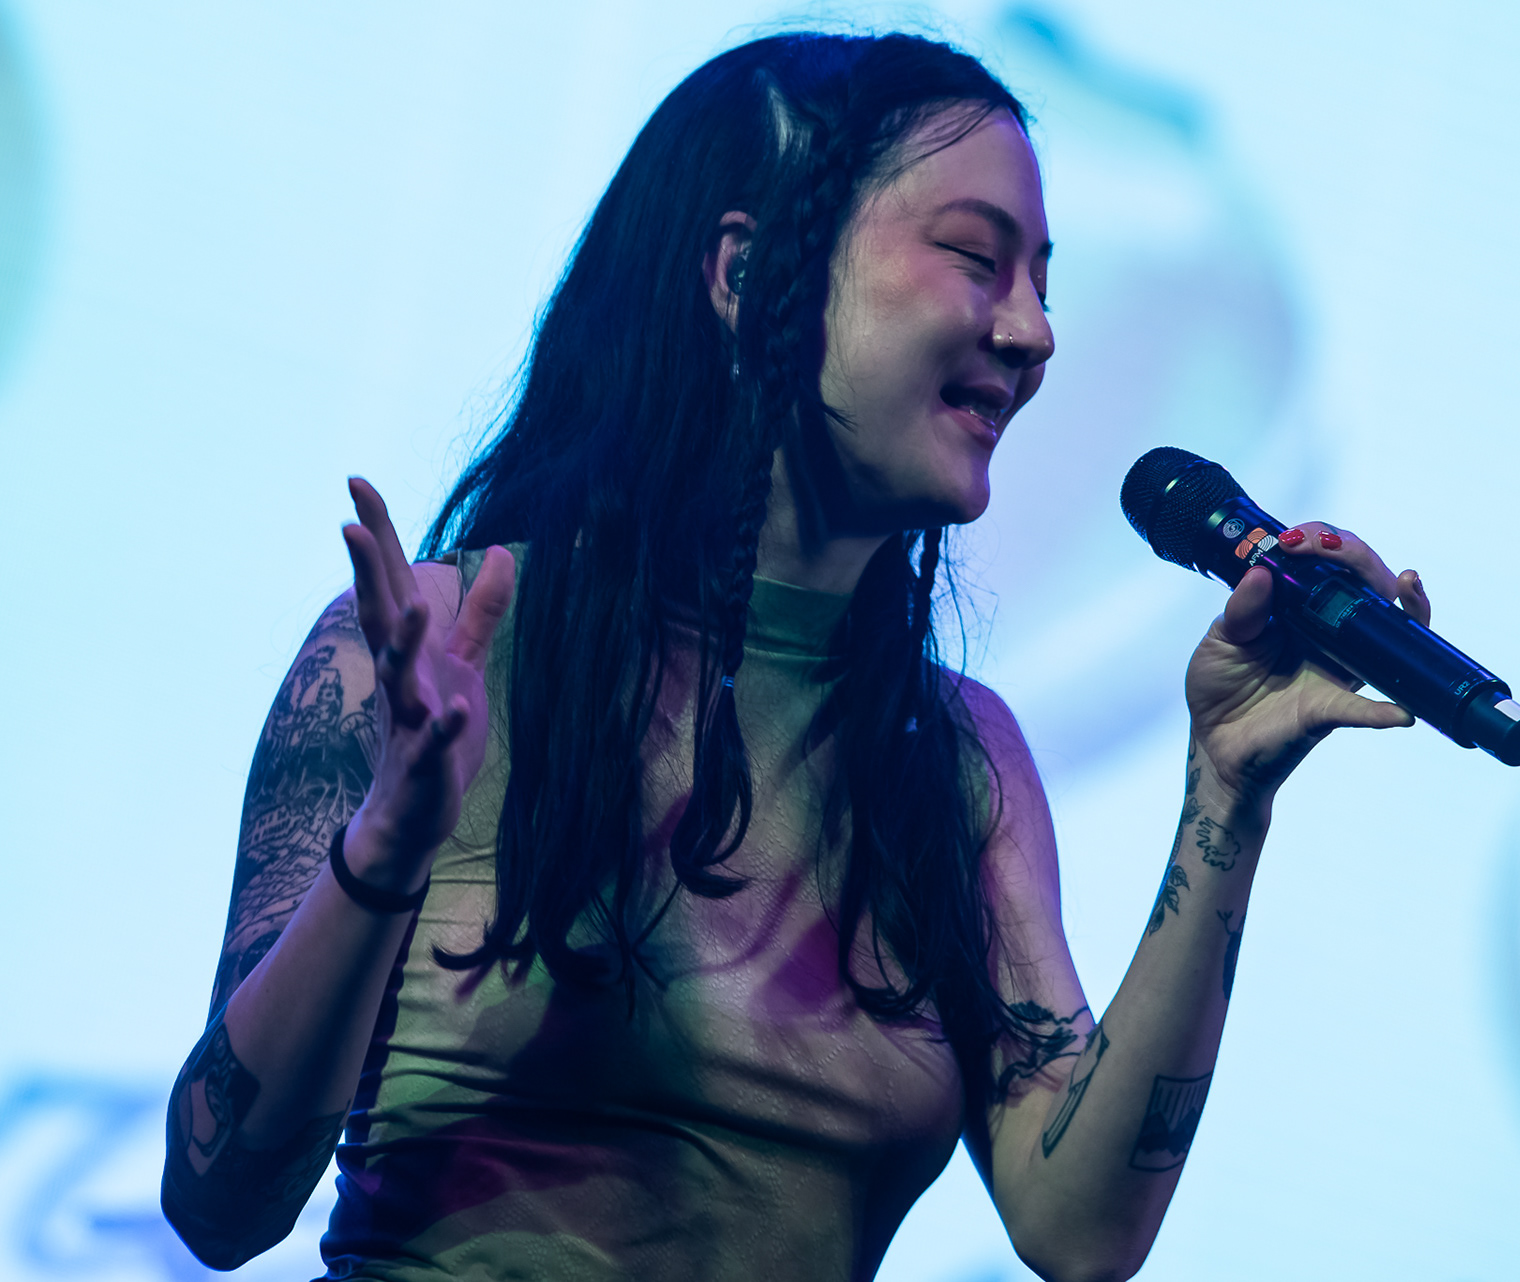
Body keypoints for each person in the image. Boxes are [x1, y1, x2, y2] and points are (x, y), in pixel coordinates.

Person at [161, 31, 1430, 1282]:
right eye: (976, 259)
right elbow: (219, 1198)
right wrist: (387, 845)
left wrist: (1227, 791)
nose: (1034, 332)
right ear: (749, 271)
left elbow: (1081, 1225)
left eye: (1046, 284)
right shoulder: (439, 654)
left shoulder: (954, 761)